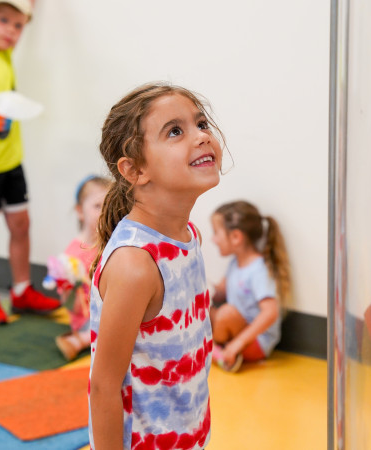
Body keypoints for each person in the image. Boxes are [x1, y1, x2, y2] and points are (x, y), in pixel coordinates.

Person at [88, 82, 225, 450]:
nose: (201, 137)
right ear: (134, 170)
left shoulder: (187, 236)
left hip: (188, 436)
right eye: (175, 131)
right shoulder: (136, 265)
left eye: (201, 124)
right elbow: (103, 386)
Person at [0, 0, 61, 325]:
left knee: (21, 225)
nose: (11, 30)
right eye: (3, 20)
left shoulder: (3, 54)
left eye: (18, 25)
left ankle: (20, 290)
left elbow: (24, 12)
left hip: (11, 163)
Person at [209, 200, 292, 372]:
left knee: (226, 313)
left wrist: (238, 343)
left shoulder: (258, 270)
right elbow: (219, 293)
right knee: (201, 308)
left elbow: (270, 312)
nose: (213, 239)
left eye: (216, 233)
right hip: (236, 329)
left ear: (236, 237)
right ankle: (215, 349)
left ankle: (215, 350)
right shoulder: (235, 263)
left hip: (256, 342)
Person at [47, 175, 110, 361]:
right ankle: (81, 339)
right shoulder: (72, 255)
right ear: (80, 211)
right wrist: (67, 282)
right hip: (87, 319)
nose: (105, 212)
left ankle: (84, 340)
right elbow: (70, 304)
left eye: (109, 206)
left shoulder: (112, 243)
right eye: (98, 206)